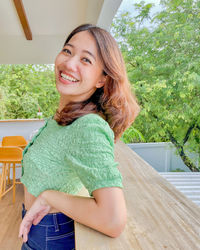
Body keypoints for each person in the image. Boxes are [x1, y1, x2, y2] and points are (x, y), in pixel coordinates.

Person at [19, 23, 140, 250]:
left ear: (102, 79)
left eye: (86, 60)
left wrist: (49, 197)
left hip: (51, 236)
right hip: (36, 228)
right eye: (67, 50)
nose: (69, 63)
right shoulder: (63, 117)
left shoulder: (88, 127)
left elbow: (113, 220)